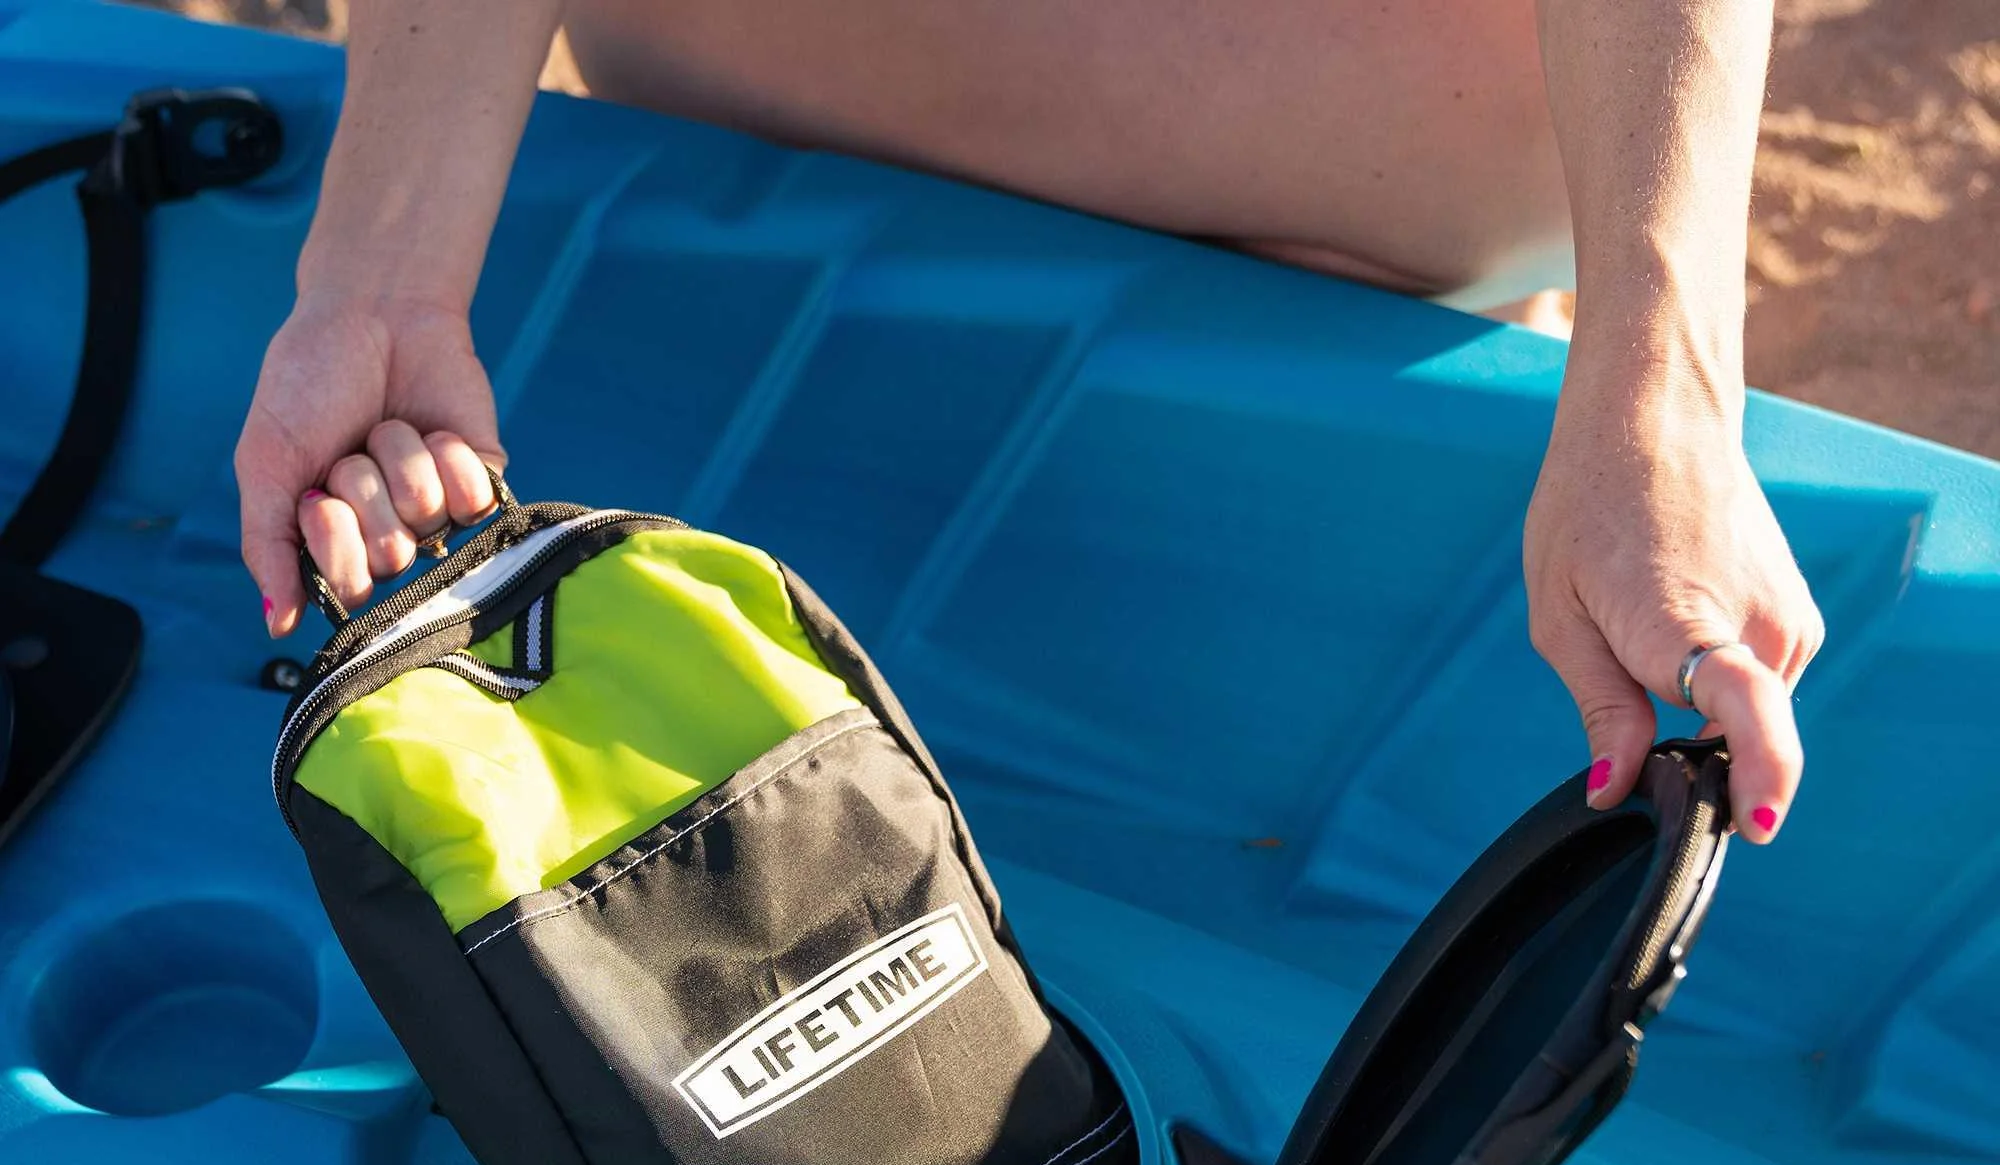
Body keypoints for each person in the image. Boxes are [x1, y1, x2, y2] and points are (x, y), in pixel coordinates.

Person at [236, 0, 1819, 840]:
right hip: (795, 46)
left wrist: (1659, 389)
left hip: (1421, 94)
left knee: (1523, 132)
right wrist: (381, 286)